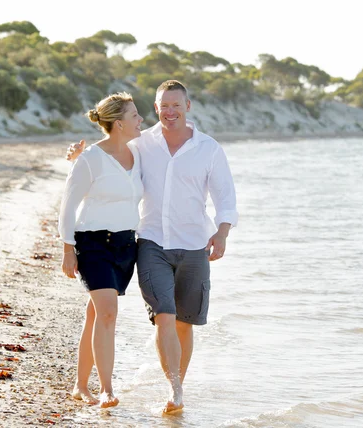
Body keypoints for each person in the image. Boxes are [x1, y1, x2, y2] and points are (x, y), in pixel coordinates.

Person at [67, 80, 238, 413]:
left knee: (184, 323)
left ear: (188, 107)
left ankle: (177, 388)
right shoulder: (142, 143)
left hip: (194, 246)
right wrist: (78, 158)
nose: (170, 111)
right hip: (151, 243)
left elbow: (226, 197)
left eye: (176, 105)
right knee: (164, 316)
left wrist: (222, 233)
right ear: (156, 108)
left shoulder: (208, 148)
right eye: (163, 105)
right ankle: (173, 388)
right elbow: (106, 157)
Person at [58, 92, 144, 408]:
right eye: (135, 115)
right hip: (93, 244)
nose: (141, 120)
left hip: (126, 246)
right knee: (108, 313)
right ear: (119, 123)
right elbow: (67, 206)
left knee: (96, 314)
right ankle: (107, 389)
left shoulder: (140, 153)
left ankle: (80, 386)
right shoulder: (90, 159)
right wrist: (68, 249)